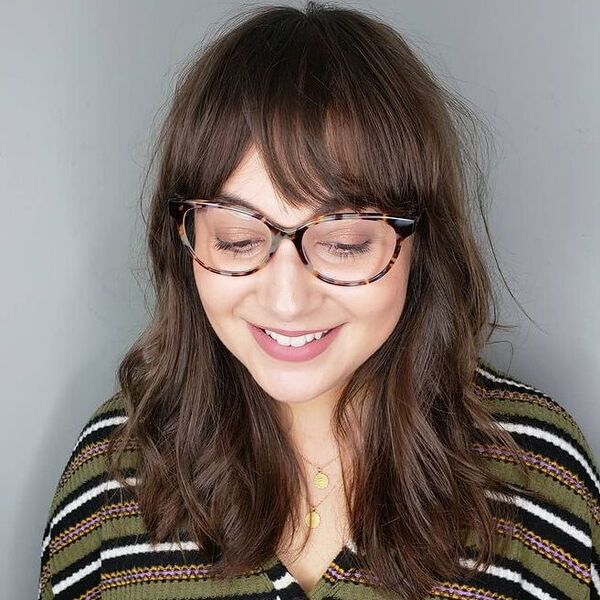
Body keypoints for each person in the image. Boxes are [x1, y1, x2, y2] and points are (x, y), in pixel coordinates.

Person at [37, 2, 600, 599]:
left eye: (345, 243)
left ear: (420, 243)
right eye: (238, 239)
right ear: (184, 238)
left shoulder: (533, 475)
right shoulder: (117, 467)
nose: (286, 299)